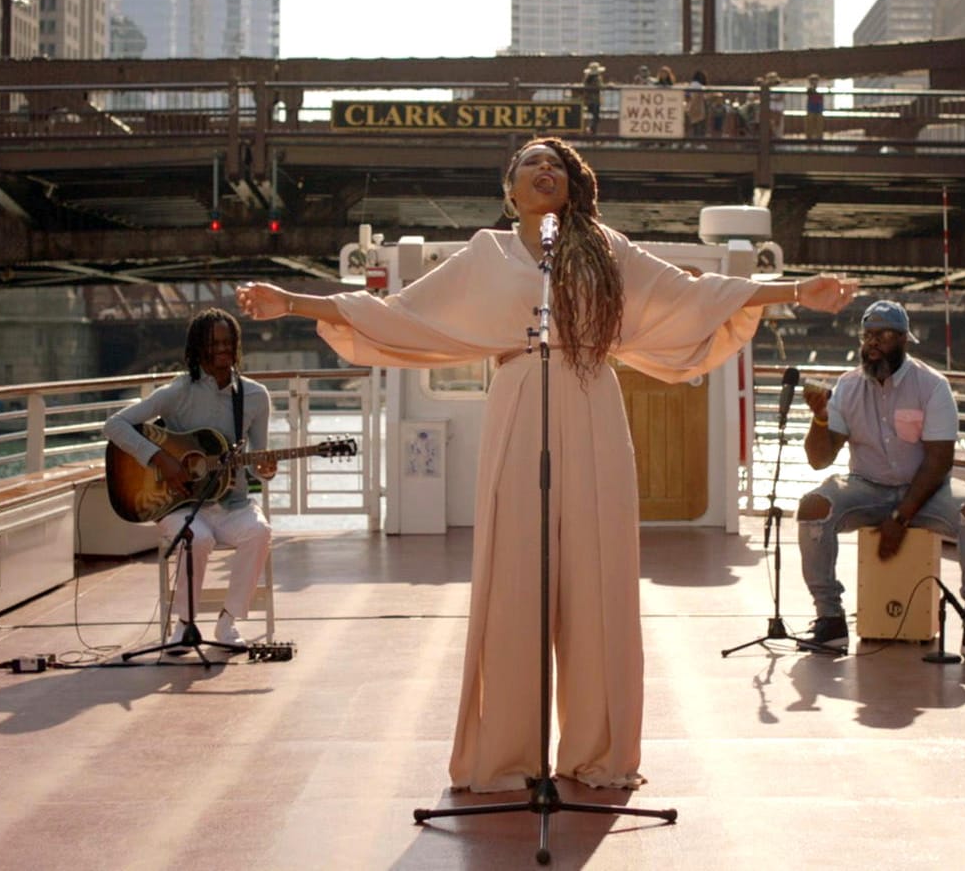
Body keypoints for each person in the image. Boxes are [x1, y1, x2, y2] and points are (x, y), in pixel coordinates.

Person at [235, 136, 855, 792]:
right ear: (509, 190)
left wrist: (793, 290)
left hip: (591, 400)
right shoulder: (486, 254)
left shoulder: (607, 248)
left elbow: (694, 295)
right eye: (531, 161)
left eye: (555, 162)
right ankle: (506, 756)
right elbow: (399, 313)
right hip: (517, 401)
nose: (544, 168)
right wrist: (294, 304)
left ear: (572, 183)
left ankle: (598, 754)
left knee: (598, 578)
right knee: (513, 578)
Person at [794, 300, 965, 662]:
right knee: (812, 508)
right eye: (868, 335)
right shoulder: (847, 387)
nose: (873, 343)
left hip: (926, 489)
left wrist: (901, 517)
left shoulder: (932, 386)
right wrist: (821, 418)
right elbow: (819, 460)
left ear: (905, 340)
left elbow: (939, 462)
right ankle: (830, 620)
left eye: (884, 335)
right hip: (867, 486)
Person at [103, 308, 275, 649]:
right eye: (215, 344)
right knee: (197, 537)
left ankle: (228, 623)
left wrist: (265, 468)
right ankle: (184, 623)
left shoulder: (255, 397)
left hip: (233, 503)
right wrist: (161, 459)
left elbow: (257, 463)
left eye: (229, 342)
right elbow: (114, 425)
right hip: (179, 502)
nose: (224, 350)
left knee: (261, 532)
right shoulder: (178, 392)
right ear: (199, 349)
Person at [804, 75, 825, 142]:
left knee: (819, 124)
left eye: (815, 80)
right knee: (810, 124)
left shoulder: (821, 88)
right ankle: (809, 137)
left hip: (819, 108)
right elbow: (809, 93)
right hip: (811, 108)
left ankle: (819, 138)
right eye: (812, 80)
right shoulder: (809, 88)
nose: (814, 81)